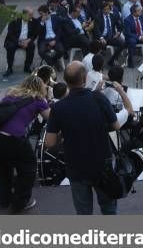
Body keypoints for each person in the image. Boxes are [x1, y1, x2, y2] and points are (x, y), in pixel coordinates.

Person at [45, 61, 122, 215]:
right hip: (102, 164)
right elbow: (116, 126)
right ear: (85, 78)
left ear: (66, 81)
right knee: (109, 210)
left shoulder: (58, 108)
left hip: (76, 167)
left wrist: (66, 130)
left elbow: (50, 142)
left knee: (84, 213)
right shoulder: (98, 98)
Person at [0, 75, 50, 213]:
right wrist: (47, 101)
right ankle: (20, 203)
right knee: (28, 168)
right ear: (40, 88)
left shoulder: (11, 95)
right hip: (13, 139)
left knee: (4, 165)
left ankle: (5, 199)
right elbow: (50, 117)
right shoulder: (38, 99)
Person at [3, 8, 41, 77]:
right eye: (30, 15)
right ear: (24, 14)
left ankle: (27, 67)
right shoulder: (15, 20)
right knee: (10, 47)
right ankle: (9, 68)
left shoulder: (34, 21)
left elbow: (35, 34)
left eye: (32, 14)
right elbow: (10, 34)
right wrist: (19, 42)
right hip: (15, 40)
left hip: (26, 40)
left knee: (32, 46)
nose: (31, 16)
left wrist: (28, 41)